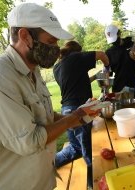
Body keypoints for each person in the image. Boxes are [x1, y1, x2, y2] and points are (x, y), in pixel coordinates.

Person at [0, 3, 102, 190]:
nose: (56, 48)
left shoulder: (32, 70)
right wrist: (74, 118)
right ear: (25, 36)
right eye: (51, 41)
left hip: (36, 181)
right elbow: (29, 141)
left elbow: (44, 118)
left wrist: (81, 115)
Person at [53, 40, 109, 187]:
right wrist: (107, 68)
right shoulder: (76, 57)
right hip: (78, 109)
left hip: (66, 109)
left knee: (76, 148)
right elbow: (102, 54)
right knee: (87, 150)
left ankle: (49, 163)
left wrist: (95, 77)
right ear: (77, 51)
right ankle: (93, 184)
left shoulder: (57, 67)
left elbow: (76, 82)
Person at [104, 24, 135, 92]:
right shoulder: (109, 52)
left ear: (119, 33)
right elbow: (108, 73)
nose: (113, 42)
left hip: (134, 86)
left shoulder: (133, 46)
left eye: (114, 38)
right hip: (118, 88)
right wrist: (105, 89)